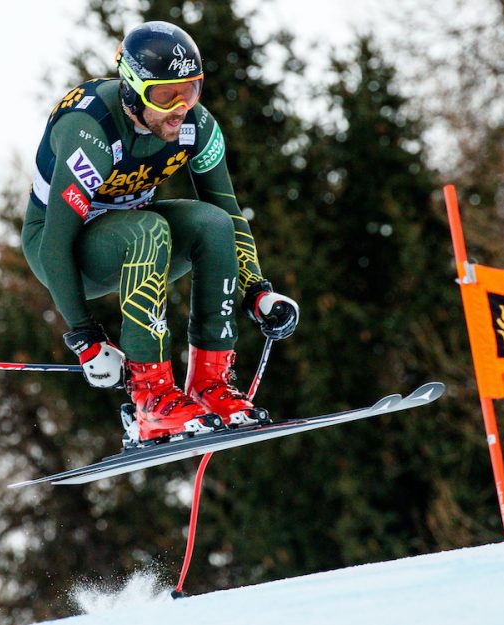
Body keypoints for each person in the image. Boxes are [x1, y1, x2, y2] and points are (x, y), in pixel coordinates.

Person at [22, 21, 299, 444]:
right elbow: (55, 245)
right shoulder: (92, 132)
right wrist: (87, 339)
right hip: (66, 254)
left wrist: (257, 291)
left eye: (190, 90)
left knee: (213, 225)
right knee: (148, 229)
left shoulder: (196, 127)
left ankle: (210, 386)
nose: (180, 107)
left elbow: (227, 211)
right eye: (165, 95)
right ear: (132, 89)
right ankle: (150, 398)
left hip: (134, 239)